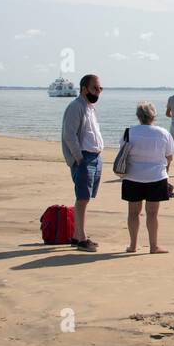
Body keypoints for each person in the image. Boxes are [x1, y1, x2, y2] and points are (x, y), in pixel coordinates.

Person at [121, 101, 174, 254]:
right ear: (154, 116)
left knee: (133, 213)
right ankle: (153, 246)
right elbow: (169, 156)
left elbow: (123, 152)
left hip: (133, 176)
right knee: (152, 213)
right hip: (156, 176)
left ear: (138, 116)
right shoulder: (163, 133)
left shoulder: (129, 132)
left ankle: (133, 245)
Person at [61, 74, 103, 252]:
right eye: (95, 88)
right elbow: (69, 135)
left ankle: (78, 234)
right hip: (83, 158)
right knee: (82, 197)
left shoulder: (90, 108)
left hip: (94, 157)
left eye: (100, 88)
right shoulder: (76, 107)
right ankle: (80, 238)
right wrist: (78, 158)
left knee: (86, 198)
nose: (98, 92)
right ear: (84, 88)